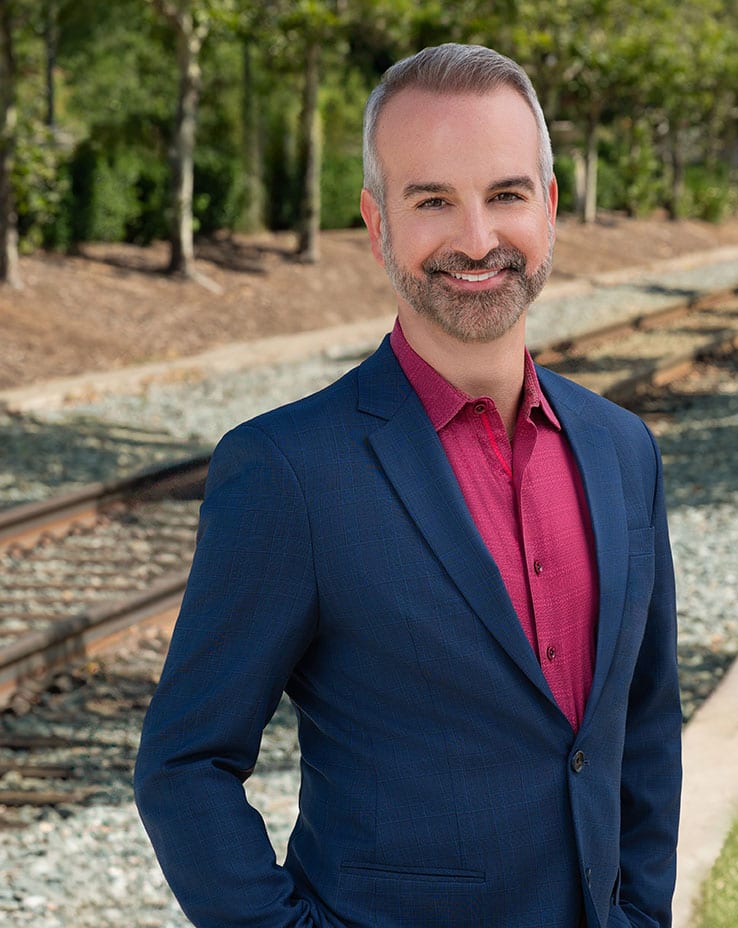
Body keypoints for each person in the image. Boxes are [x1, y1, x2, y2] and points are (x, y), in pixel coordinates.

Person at [135, 43, 681, 928]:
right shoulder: (288, 471)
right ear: (377, 222)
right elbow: (184, 764)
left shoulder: (624, 452)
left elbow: (645, 729)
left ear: (549, 208)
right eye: (432, 201)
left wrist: (643, 916)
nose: (476, 239)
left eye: (505, 195)